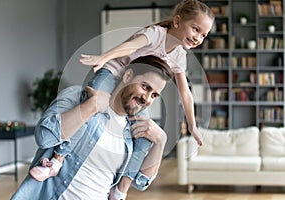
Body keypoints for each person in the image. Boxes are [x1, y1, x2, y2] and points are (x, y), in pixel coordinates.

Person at [31, 0, 214, 188]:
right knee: (91, 105)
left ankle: (121, 189)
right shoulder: (156, 34)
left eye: (203, 35)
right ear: (177, 21)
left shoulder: (179, 55)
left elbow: (185, 92)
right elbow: (130, 47)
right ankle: (58, 159)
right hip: (114, 72)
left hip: (134, 87)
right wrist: (104, 57)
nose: (198, 37)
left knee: (145, 133)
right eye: (195, 29)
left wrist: (192, 125)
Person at [11, 55, 173, 200]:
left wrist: (160, 141)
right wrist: (92, 106)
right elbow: (44, 137)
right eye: (145, 87)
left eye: (154, 95)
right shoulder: (77, 97)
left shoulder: (133, 133)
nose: (147, 99)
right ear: (128, 75)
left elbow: (141, 182)